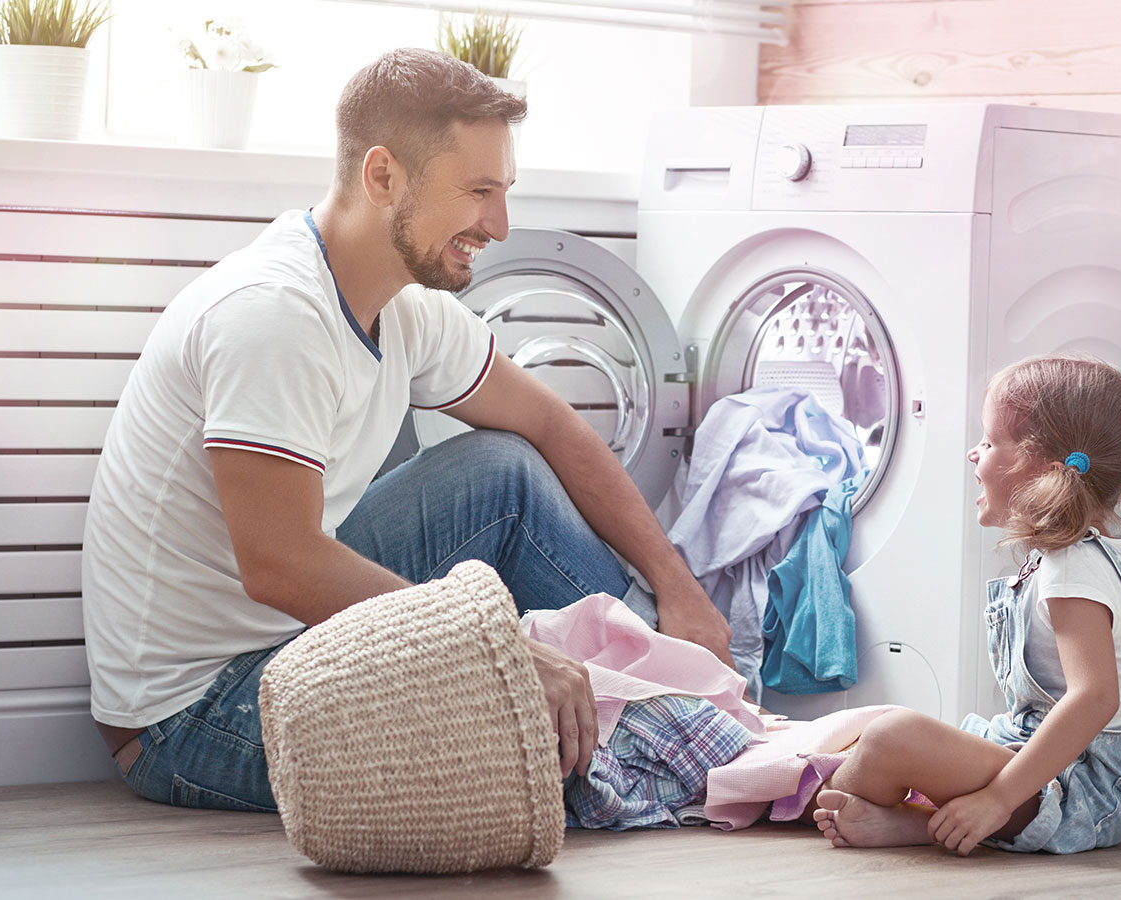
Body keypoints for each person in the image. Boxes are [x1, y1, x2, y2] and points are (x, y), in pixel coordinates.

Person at [80, 47, 731, 812]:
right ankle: (695, 741)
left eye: (505, 190)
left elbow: (551, 425)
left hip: (287, 641)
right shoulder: (274, 315)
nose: (499, 223)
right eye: (479, 191)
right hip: (193, 714)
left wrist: (679, 588)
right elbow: (281, 566)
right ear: (382, 175)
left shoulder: (404, 305)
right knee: (527, 741)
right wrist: (501, 658)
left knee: (503, 469)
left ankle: (685, 689)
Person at [810, 355, 1121, 855]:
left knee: (891, 736)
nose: (972, 454)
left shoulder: (1074, 564)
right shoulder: (1069, 555)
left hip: (1088, 792)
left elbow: (1095, 698)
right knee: (878, 731)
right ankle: (915, 824)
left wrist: (999, 798)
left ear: (1037, 468)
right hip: (1049, 764)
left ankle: (795, 798)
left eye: (987, 442)